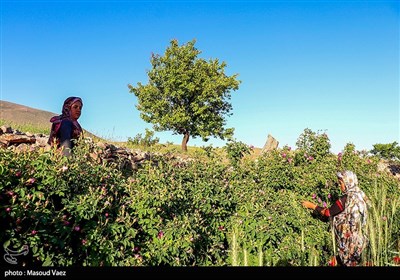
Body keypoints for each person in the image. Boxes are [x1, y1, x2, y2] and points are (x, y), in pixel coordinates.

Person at [302, 170, 369, 266]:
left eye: (340, 183)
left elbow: (328, 213)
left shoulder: (346, 199)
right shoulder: (361, 195)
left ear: (347, 183)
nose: (339, 185)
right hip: (361, 241)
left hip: (349, 243)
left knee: (348, 262)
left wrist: (312, 206)